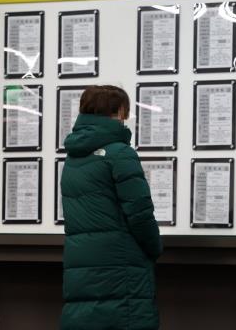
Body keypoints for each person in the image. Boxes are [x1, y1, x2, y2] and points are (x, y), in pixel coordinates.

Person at [60, 85, 163, 330]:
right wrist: (154, 247)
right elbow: (139, 213)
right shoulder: (120, 154)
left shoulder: (74, 157)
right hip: (121, 266)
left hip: (81, 264)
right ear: (116, 112)